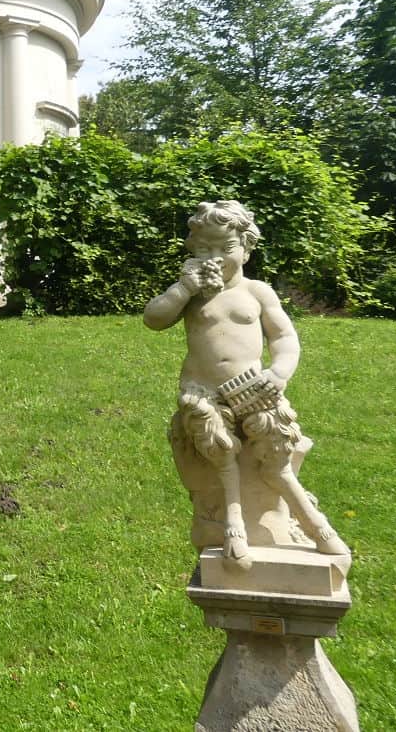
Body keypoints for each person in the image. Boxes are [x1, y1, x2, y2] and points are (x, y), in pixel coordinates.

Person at [143, 200, 348, 567]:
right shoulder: (191, 296)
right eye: (205, 248)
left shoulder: (257, 292)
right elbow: (154, 319)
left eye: (226, 248)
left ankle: (314, 524)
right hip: (204, 390)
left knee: (278, 450)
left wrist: (279, 372)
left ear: (247, 248)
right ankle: (233, 521)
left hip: (253, 386)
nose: (215, 257)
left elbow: (285, 338)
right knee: (218, 448)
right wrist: (183, 288)